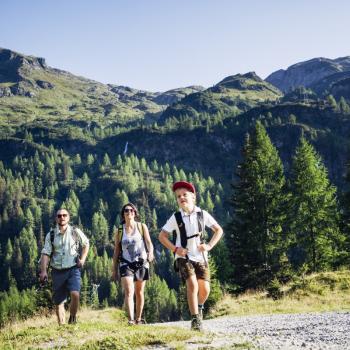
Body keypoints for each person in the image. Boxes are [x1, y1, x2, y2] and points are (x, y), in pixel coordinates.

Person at [159, 181, 223, 331]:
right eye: (178, 196)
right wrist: (176, 249)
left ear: (193, 197)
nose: (181, 198)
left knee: (205, 289)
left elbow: (218, 230)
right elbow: (162, 236)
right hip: (184, 256)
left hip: (201, 256)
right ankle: (195, 320)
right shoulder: (176, 217)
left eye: (184, 195)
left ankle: (199, 307)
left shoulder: (202, 214)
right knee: (192, 285)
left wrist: (209, 246)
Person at [39, 208, 89, 325]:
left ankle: (72, 317)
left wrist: (82, 259)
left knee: (75, 294)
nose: (62, 217)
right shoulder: (51, 235)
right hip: (57, 271)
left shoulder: (75, 231)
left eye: (64, 215)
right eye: (59, 216)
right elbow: (45, 253)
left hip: (73, 268)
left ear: (68, 217)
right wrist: (43, 271)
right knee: (59, 301)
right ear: (56, 218)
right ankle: (62, 327)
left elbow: (86, 243)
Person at [112, 203, 154, 325]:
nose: (129, 212)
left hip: (141, 262)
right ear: (123, 214)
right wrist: (114, 268)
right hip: (125, 263)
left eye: (131, 210)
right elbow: (116, 250)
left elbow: (149, 242)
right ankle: (131, 320)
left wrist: (150, 253)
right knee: (129, 291)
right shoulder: (119, 230)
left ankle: (139, 319)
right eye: (126, 210)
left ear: (135, 213)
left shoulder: (141, 226)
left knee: (139, 291)